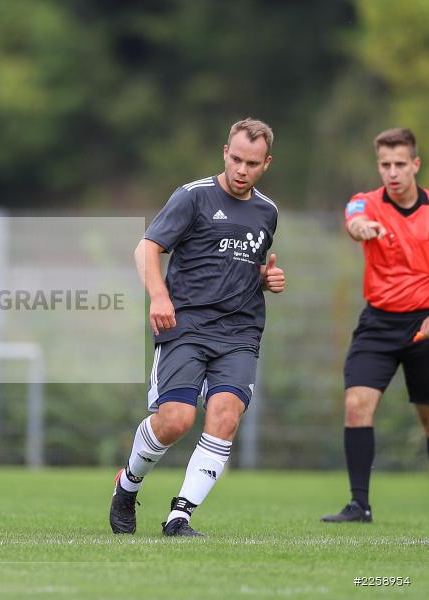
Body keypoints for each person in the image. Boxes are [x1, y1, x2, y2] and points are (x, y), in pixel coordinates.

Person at [110, 118, 285, 537]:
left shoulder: (267, 212)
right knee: (176, 420)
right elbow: (147, 247)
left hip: (240, 333)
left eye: (253, 163)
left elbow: (242, 265)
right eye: (237, 159)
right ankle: (128, 484)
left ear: (266, 164)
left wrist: (265, 279)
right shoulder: (193, 197)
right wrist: (158, 295)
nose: (243, 169)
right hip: (186, 325)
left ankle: (180, 517)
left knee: (225, 415)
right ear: (225, 152)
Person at [322, 128, 429, 523]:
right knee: (356, 406)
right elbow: (354, 221)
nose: (393, 172)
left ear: (415, 164)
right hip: (379, 324)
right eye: (385, 165)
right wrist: (361, 229)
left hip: (424, 325)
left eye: (401, 164)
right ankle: (359, 505)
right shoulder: (364, 205)